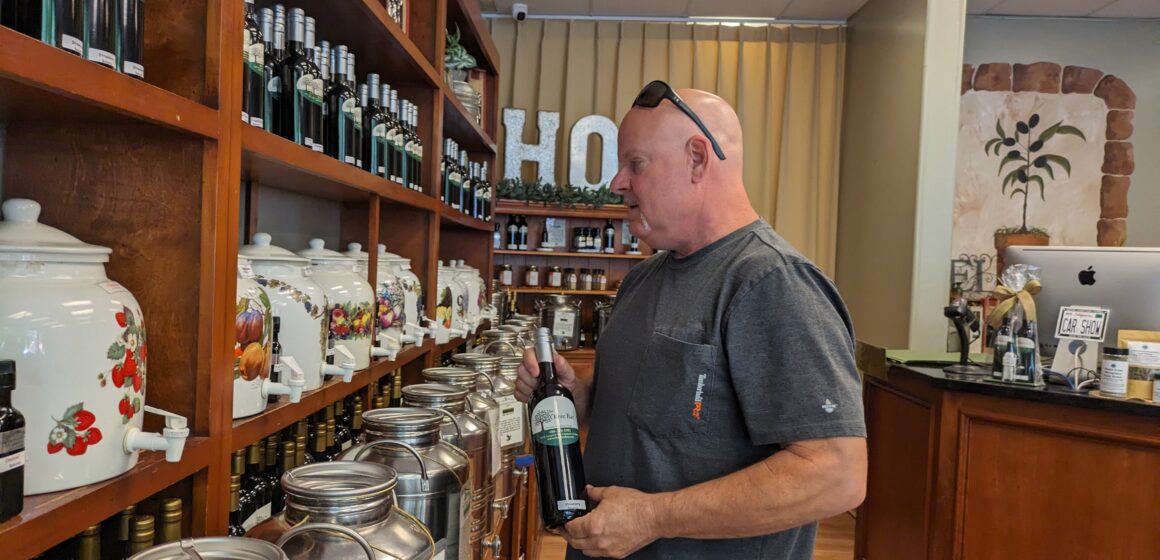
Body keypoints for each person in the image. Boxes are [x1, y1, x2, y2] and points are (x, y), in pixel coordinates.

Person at [515, 82, 867, 559]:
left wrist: (653, 516)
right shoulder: (643, 279)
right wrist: (581, 399)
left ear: (697, 159)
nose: (617, 182)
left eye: (635, 164)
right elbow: (661, 408)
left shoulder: (772, 283)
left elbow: (835, 474)